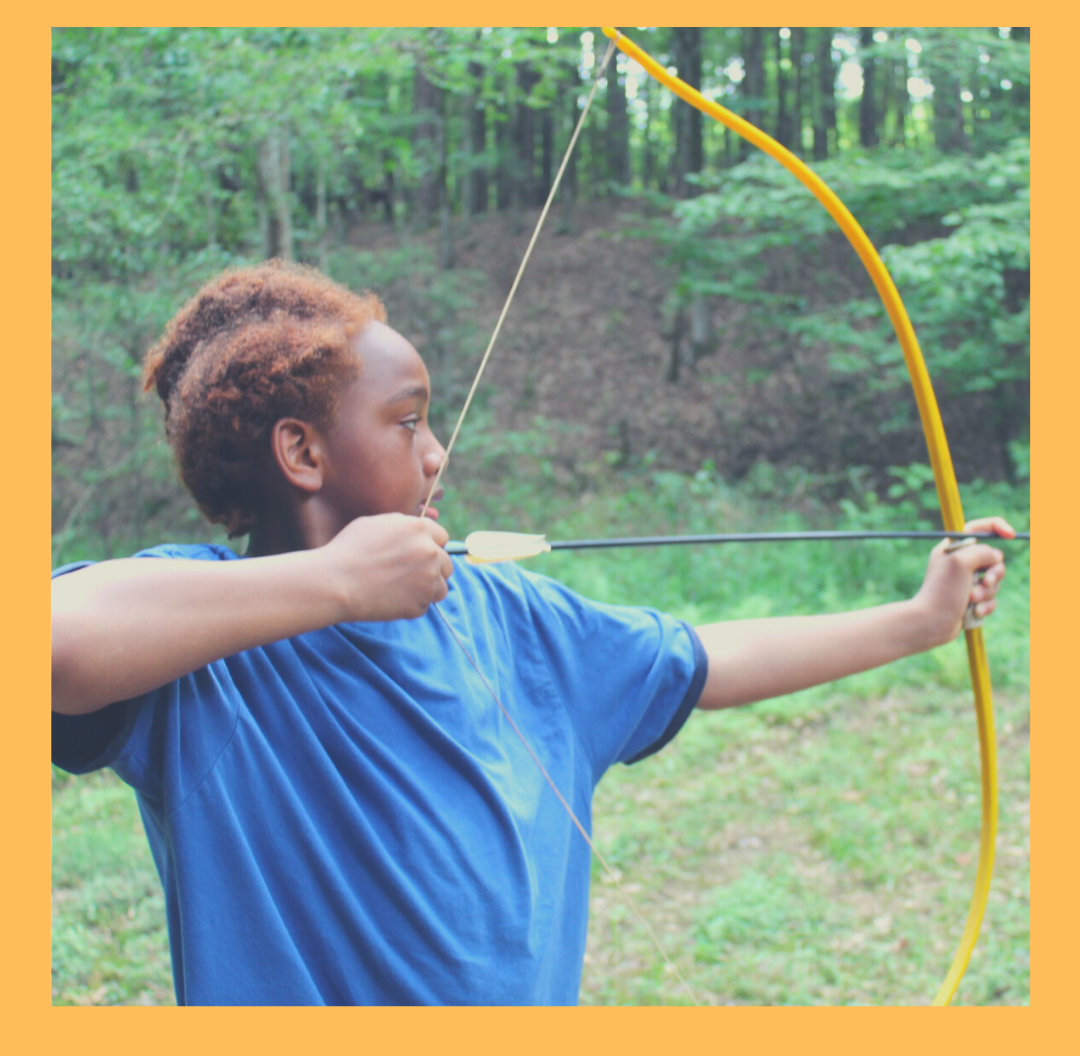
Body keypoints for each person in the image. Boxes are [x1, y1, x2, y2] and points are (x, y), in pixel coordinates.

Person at [51, 261, 1012, 1006]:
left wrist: (917, 620)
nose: (438, 450)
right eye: (408, 421)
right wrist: (337, 585)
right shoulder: (204, 647)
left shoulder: (503, 618)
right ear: (302, 452)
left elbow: (706, 658)